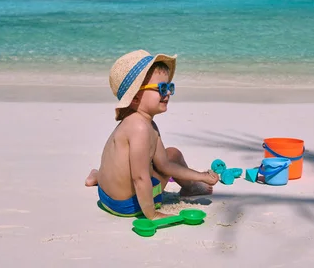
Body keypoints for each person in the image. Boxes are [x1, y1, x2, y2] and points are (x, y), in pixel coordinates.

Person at [85, 50, 218, 219]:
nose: (168, 93)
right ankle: (190, 187)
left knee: (164, 156)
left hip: (105, 196)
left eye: (170, 87)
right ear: (134, 97)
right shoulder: (140, 128)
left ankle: (98, 175)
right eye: (162, 88)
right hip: (127, 205)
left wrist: (202, 176)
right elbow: (141, 178)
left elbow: (164, 165)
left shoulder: (135, 123)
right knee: (173, 156)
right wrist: (152, 214)